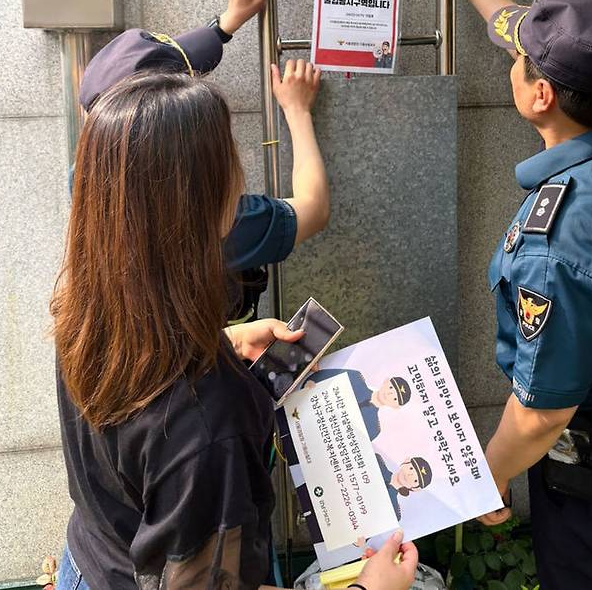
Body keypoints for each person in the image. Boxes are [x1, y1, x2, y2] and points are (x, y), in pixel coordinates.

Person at [52, 61, 417, 590]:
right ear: (198, 204)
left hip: (89, 563)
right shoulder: (208, 421)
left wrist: (220, 340)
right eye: (229, 158)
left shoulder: (83, 307)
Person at [429, 0, 592, 590]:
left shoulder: (565, 239)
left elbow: (543, 411)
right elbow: (525, 33)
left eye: (520, 62)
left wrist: (487, 476)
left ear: (542, 96)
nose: (511, 60)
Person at [76, 0, 324, 323]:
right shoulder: (220, 223)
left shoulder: (87, 183)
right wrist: (297, 111)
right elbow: (315, 207)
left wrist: (225, 24)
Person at [302, 370, 412, 439]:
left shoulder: (373, 428)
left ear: (395, 407)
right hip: (303, 407)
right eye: (391, 387)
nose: (388, 394)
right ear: (386, 381)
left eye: (394, 398)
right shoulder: (354, 378)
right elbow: (318, 378)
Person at [375, 454, 433, 520]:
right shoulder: (377, 462)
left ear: (415, 489)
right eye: (411, 468)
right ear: (406, 461)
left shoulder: (394, 511)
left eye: (415, 480)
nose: (409, 475)